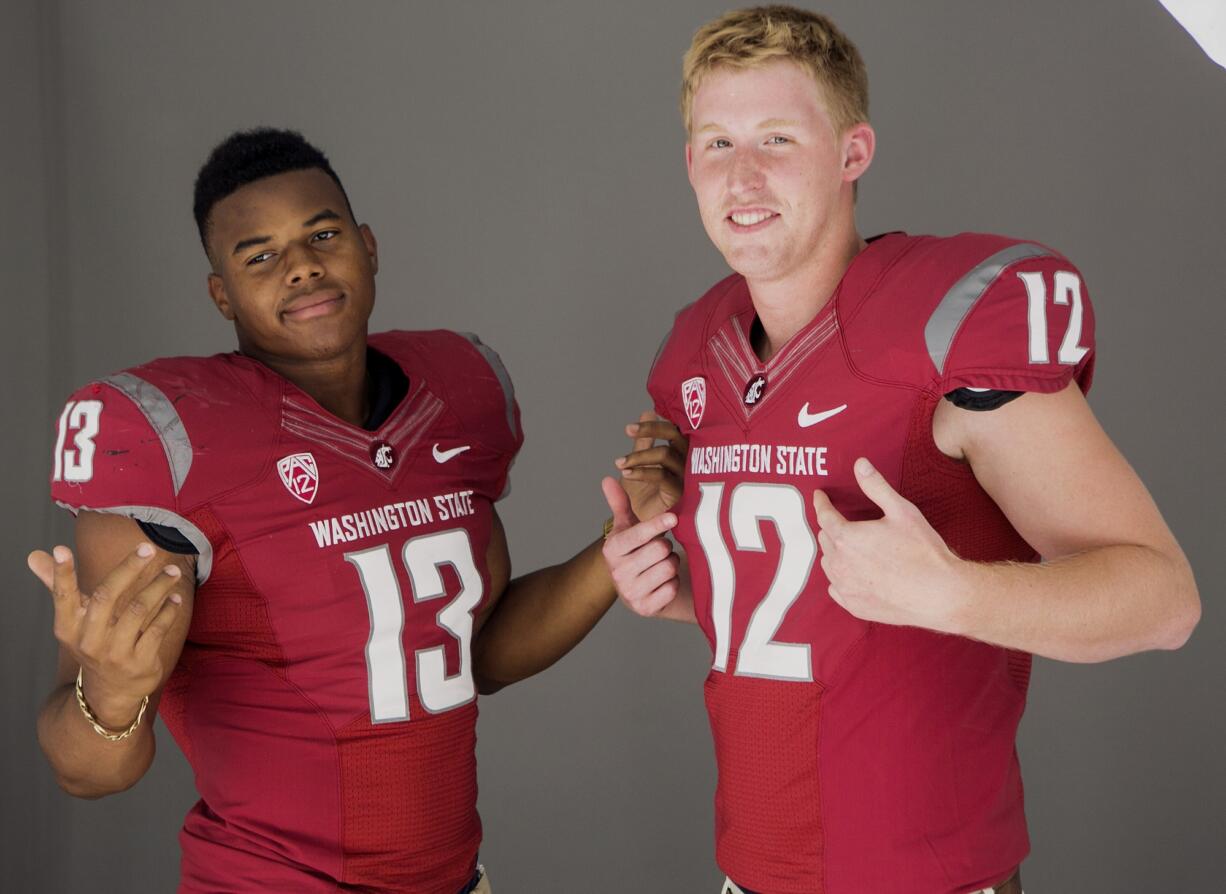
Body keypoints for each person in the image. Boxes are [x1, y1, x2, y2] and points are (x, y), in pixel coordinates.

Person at [602, 6, 1201, 894]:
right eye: (718, 143)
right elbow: (817, 607)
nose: (745, 173)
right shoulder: (700, 351)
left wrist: (959, 592)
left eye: (777, 138)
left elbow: (1164, 599)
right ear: (690, 163)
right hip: (749, 874)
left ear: (854, 153)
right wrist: (691, 590)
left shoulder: (940, 330)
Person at [30, 128, 680, 894]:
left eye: (323, 234)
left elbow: (472, 656)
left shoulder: (457, 395)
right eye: (259, 255)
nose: (301, 265)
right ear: (221, 293)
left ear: (368, 247)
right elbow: (87, 775)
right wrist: (109, 691)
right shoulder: (168, 438)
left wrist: (619, 550)